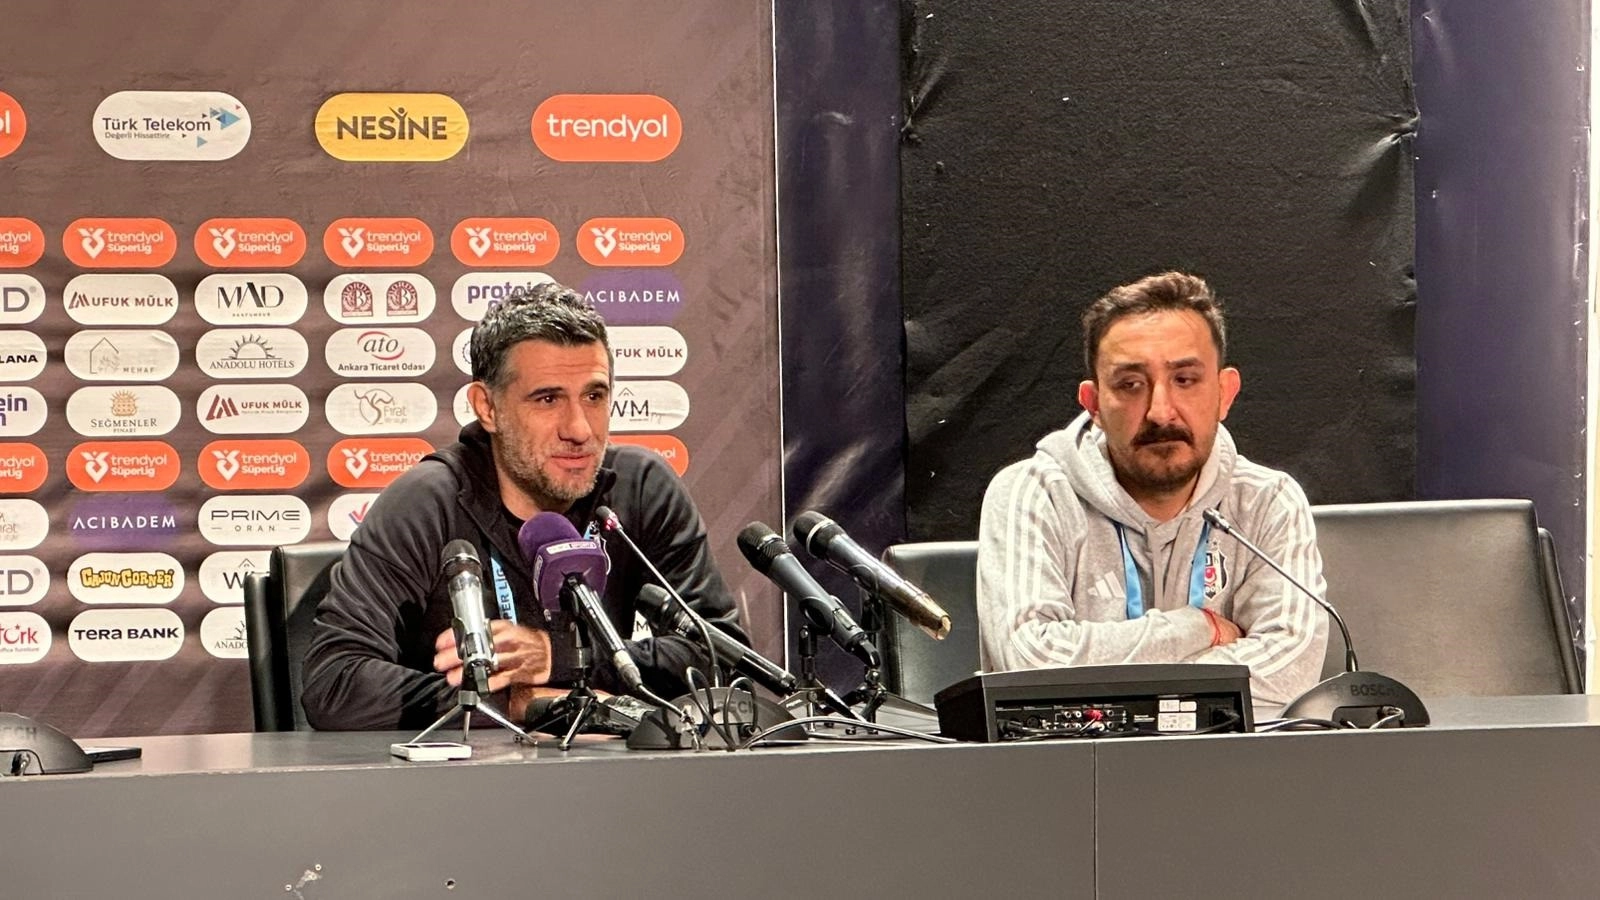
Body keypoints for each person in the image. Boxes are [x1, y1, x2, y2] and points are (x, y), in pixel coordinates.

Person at [301, 281, 739, 730]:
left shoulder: (641, 488)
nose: (579, 429)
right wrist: (518, 704)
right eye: (548, 399)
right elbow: (334, 684)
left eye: (594, 396)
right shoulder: (427, 502)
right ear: (487, 407)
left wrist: (557, 658)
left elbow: (724, 658)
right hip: (463, 769)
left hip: (607, 768)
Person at [976, 271, 1327, 709]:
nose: (1160, 412)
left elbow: (1291, 670)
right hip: (1073, 754)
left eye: (1185, 379)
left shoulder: (1268, 501)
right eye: (1130, 385)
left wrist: (1111, 682)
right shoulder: (1034, 494)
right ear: (1094, 404)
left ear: (1224, 393)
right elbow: (1030, 666)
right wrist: (1197, 628)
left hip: (1226, 754)